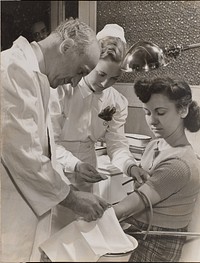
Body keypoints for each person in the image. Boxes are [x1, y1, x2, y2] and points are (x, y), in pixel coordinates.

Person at [1, 18, 110, 262]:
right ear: (66, 47)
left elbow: (46, 153)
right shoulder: (11, 69)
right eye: (80, 71)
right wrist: (73, 199)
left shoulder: (37, 78)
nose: (74, 82)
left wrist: (71, 193)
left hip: (24, 213)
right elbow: (24, 155)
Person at [49, 24, 149, 193]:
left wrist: (131, 166)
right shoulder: (62, 89)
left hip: (88, 167)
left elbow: (116, 144)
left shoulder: (117, 102)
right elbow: (50, 143)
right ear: (91, 62)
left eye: (114, 78)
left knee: (86, 216)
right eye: (101, 74)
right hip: (56, 166)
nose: (104, 84)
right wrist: (75, 164)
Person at [113, 76, 200, 262]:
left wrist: (93, 211)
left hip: (158, 243)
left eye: (160, 112)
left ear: (183, 110)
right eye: (147, 112)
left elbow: (131, 205)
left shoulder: (179, 164)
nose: (152, 121)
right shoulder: (155, 145)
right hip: (139, 229)